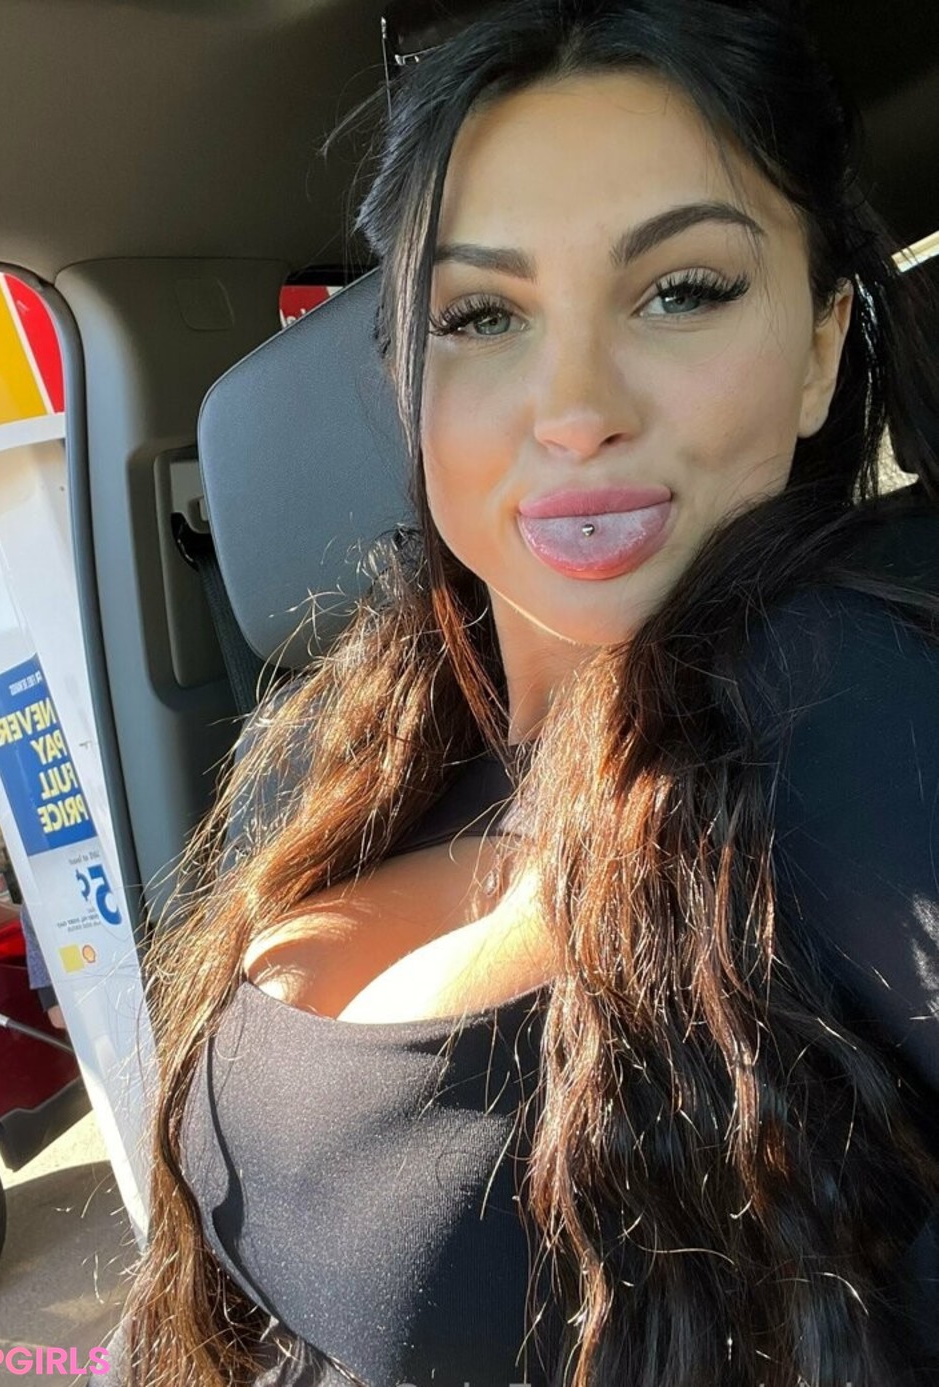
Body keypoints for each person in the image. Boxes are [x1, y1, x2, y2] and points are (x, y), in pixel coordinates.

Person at [100, 2, 939, 1384]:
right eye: (482, 315)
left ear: (818, 350)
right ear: (407, 382)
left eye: (683, 290)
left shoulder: (858, 698)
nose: (575, 408)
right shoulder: (346, 735)